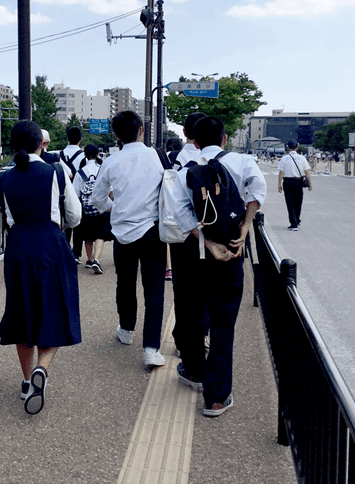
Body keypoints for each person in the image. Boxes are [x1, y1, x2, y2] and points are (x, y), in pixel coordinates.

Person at [172, 116, 267, 417]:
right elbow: (258, 190)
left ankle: (194, 372)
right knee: (223, 322)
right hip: (232, 250)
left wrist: (207, 242)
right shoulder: (242, 162)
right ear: (225, 139)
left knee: (192, 313)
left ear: (195, 142)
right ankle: (216, 398)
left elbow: (181, 212)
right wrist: (246, 226)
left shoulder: (186, 170)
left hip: (198, 251)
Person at [0, 120, 82, 415]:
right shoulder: (56, 172)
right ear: (40, 144)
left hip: (18, 247)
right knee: (55, 309)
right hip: (50, 244)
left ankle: (25, 380)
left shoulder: (3, 179)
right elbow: (75, 215)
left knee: (22, 313)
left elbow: (1, 222)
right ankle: (41, 370)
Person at [90, 110, 168, 369]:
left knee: (125, 283)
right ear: (141, 131)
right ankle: (151, 348)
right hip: (152, 230)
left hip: (122, 233)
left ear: (116, 135)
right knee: (154, 289)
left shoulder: (111, 161)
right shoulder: (156, 156)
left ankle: (126, 330)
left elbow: (97, 199)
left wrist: (113, 205)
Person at [168, 112, 205, 357]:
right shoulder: (213, 160)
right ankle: (201, 336)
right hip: (206, 231)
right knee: (204, 287)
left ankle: (181, 340)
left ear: (184, 133)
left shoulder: (172, 159)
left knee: (181, 287)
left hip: (177, 229)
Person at [72, 144, 112, 275]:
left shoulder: (80, 172)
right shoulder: (102, 169)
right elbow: (110, 190)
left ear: (85, 155)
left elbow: (76, 194)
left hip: (86, 209)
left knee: (88, 235)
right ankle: (97, 259)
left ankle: (89, 260)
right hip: (101, 207)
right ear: (97, 154)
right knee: (100, 234)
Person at [60, 126, 85, 263]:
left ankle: (65, 250)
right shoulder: (83, 156)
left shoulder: (60, 154)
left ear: (67, 138)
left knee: (64, 223)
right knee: (78, 224)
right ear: (80, 139)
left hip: (62, 193)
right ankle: (76, 253)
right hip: (79, 194)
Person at [277, 140, 312, 231]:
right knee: (298, 201)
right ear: (297, 147)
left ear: (288, 147)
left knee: (290, 202)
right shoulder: (302, 158)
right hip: (298, 182)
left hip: (288, 182)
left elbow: (281, 172)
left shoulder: (284, 158)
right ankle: (297, 219)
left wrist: (279, 184)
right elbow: (306, 171)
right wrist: (310, 183)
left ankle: (293, 223)